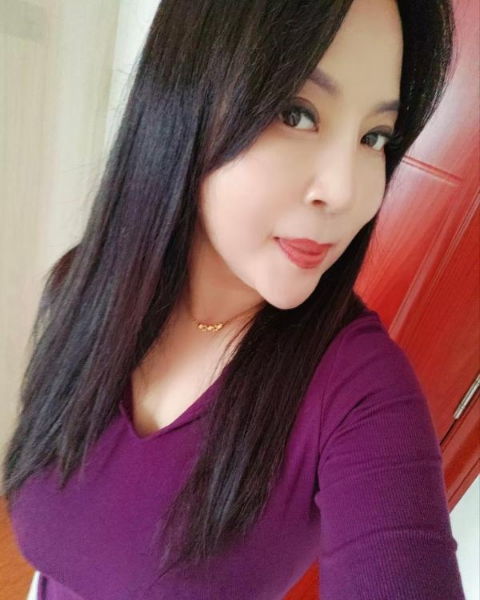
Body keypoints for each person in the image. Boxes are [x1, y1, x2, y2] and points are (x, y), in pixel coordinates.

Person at [3, 0, 466, 598]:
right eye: (297, 113)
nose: (345, 191)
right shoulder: (78, 289)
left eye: (374, 137)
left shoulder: (360, 391)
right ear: (184, 99)